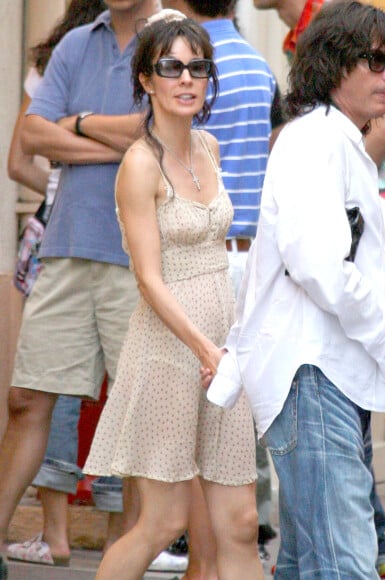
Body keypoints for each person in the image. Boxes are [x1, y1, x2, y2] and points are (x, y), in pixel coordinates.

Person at [205, 3, 385, 578]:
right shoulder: (314, 143)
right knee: (343, 561)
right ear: (331, 64)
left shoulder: (335, 141)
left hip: (327, 371)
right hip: (313, 372)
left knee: (307, 563)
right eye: (376, 60)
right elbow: (319, 265)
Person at [82, 11, 263, 580]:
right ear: (146, 79)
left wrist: (227, 347)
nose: (187, 79)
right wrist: (203, 349)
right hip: (167, 351)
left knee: (241, 521)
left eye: (198, 67)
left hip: (222, 348)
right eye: (172, 67)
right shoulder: (139, 163)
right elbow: (148, 278)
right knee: (162, 522)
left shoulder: (207, 144)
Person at [0, 1, 160, 578]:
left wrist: (79, 123)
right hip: (65, 249)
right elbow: (33, 135)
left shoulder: (171, 42)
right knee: (26, 401)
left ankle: (129, 562)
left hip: (137, 258)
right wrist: (119, 144)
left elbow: (160, 133)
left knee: (140, 421)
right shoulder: (73, 45)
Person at [161, 0, 279, 568]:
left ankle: (197, 537)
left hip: (200, 254)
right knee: (235, 409)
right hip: (250, 256)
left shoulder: (179, 59)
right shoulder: (258, 64)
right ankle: (237, 529)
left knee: (193, 407)